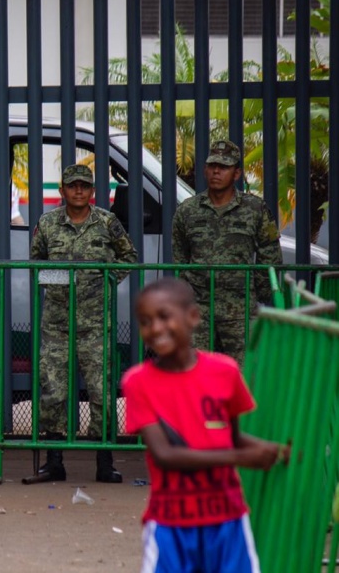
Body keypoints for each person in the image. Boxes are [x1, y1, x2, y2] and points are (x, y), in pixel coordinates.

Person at [122, 277, 285, 572]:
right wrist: (241, 458)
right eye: (145, 321)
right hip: (170, 524)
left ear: (193, 317)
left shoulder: (225, 371)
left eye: (164, 316)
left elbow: (232, 438)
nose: (155, 328)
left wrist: (277, 452)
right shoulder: (137, 382)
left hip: (228, 519)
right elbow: (165, 456)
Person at [25, 163, 138, 485]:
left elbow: (128, 257)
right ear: (62, 190)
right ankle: (54, 460)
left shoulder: (106, 222)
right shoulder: (47, 224)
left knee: (101, 391)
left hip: (95, 321)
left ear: (92, 192)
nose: (78, 191)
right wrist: (61, 284)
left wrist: (104, 282)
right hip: (56, 321)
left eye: (84, 186)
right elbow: (36, 264)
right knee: (53, 391)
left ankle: (105, 461)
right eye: (72, 186)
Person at [172, 140, 282, 367]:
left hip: (239, 309)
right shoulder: (187, 211)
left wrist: (260, 292)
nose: (216, 171)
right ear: (204, 169)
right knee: (194, 375)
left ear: (237, 173)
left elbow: (270, 252)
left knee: (245, 376)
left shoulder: (255, 209)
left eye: (224, 167)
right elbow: (180, 255)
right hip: (198, 309)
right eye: (212, 166)